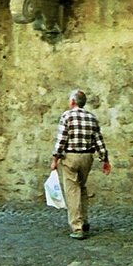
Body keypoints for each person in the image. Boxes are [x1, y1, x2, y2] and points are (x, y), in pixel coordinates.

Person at [51, 88, 111, 239]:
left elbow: (61, 140)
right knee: (81, 187)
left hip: (71, 156)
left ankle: (77, 227)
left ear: (72, 101)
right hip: (87, 157)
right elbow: (99, 140)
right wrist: (105, 159)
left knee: (72, 190)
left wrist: (55, 159)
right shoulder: (91, 117)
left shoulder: (67, 116)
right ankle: (84, 221)